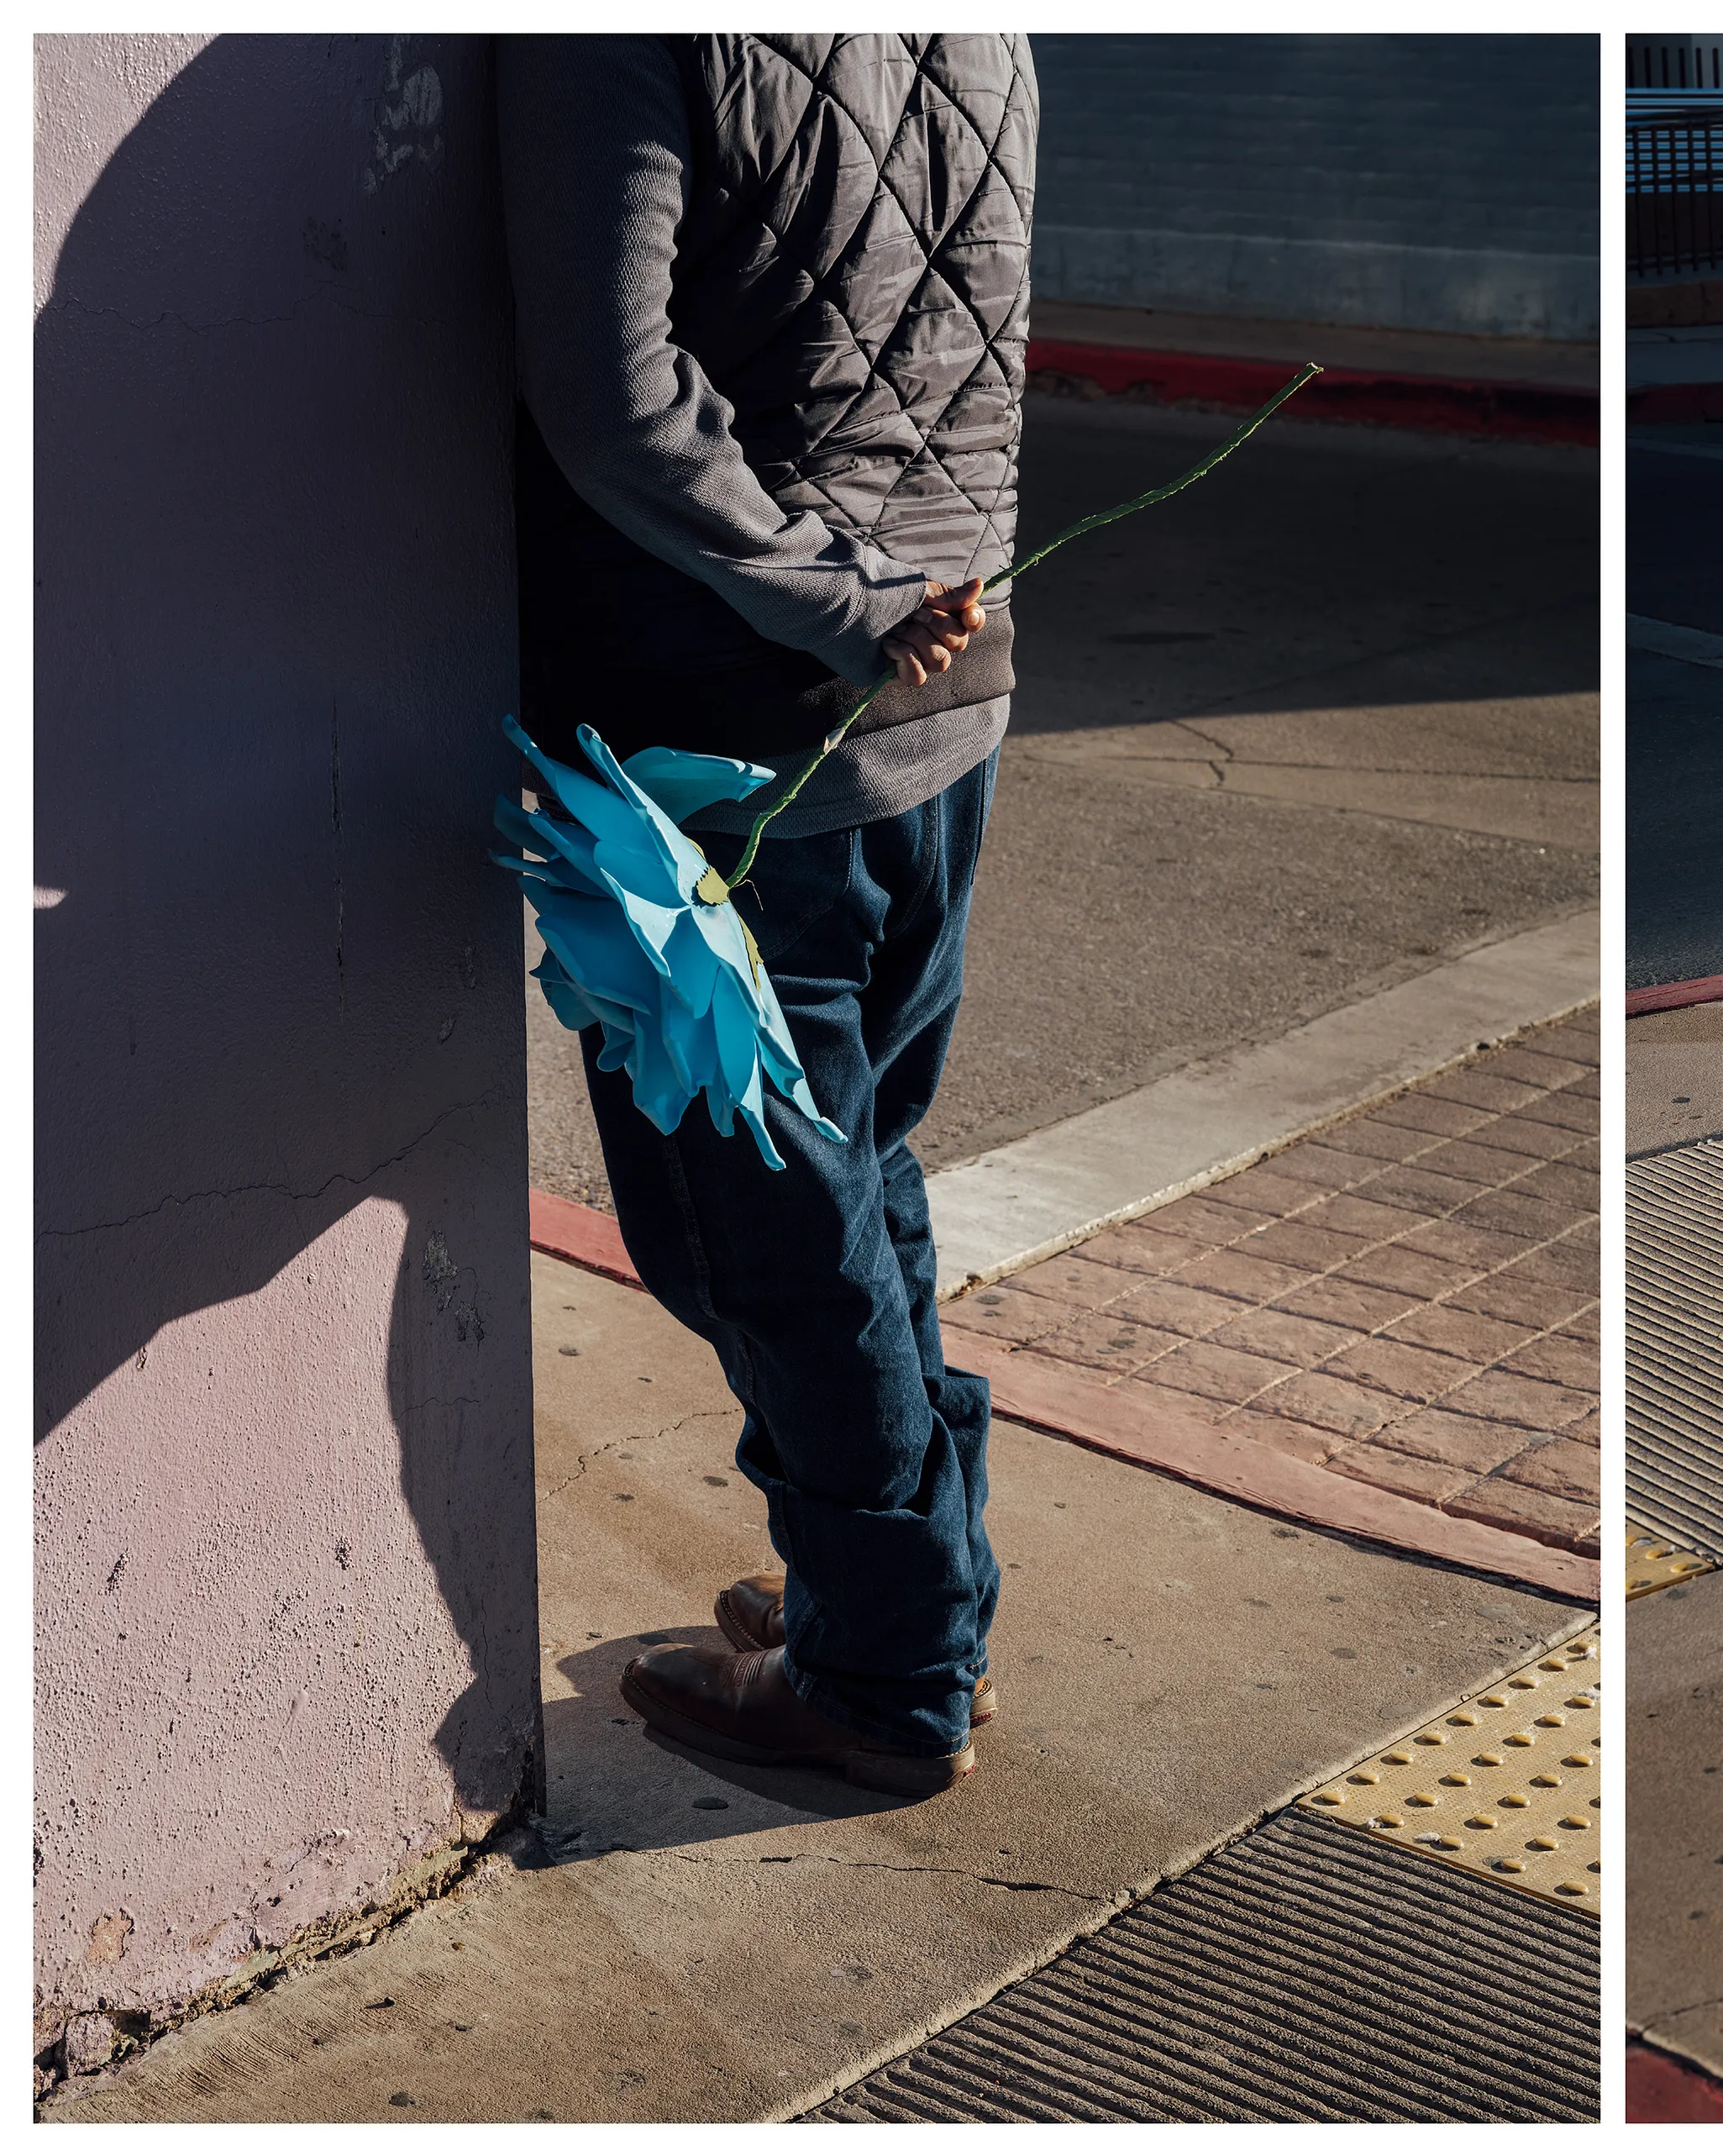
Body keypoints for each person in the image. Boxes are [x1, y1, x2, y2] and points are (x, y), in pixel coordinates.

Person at [496, 34, 1037, 1794]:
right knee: (858, 1177)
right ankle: (904, 1589)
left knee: (758, 1234)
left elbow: (615, 395)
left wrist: (837, 596)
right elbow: (980, 335)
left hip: (742, 732)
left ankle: (880, 1673)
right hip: (943, 699)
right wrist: (909, 602)